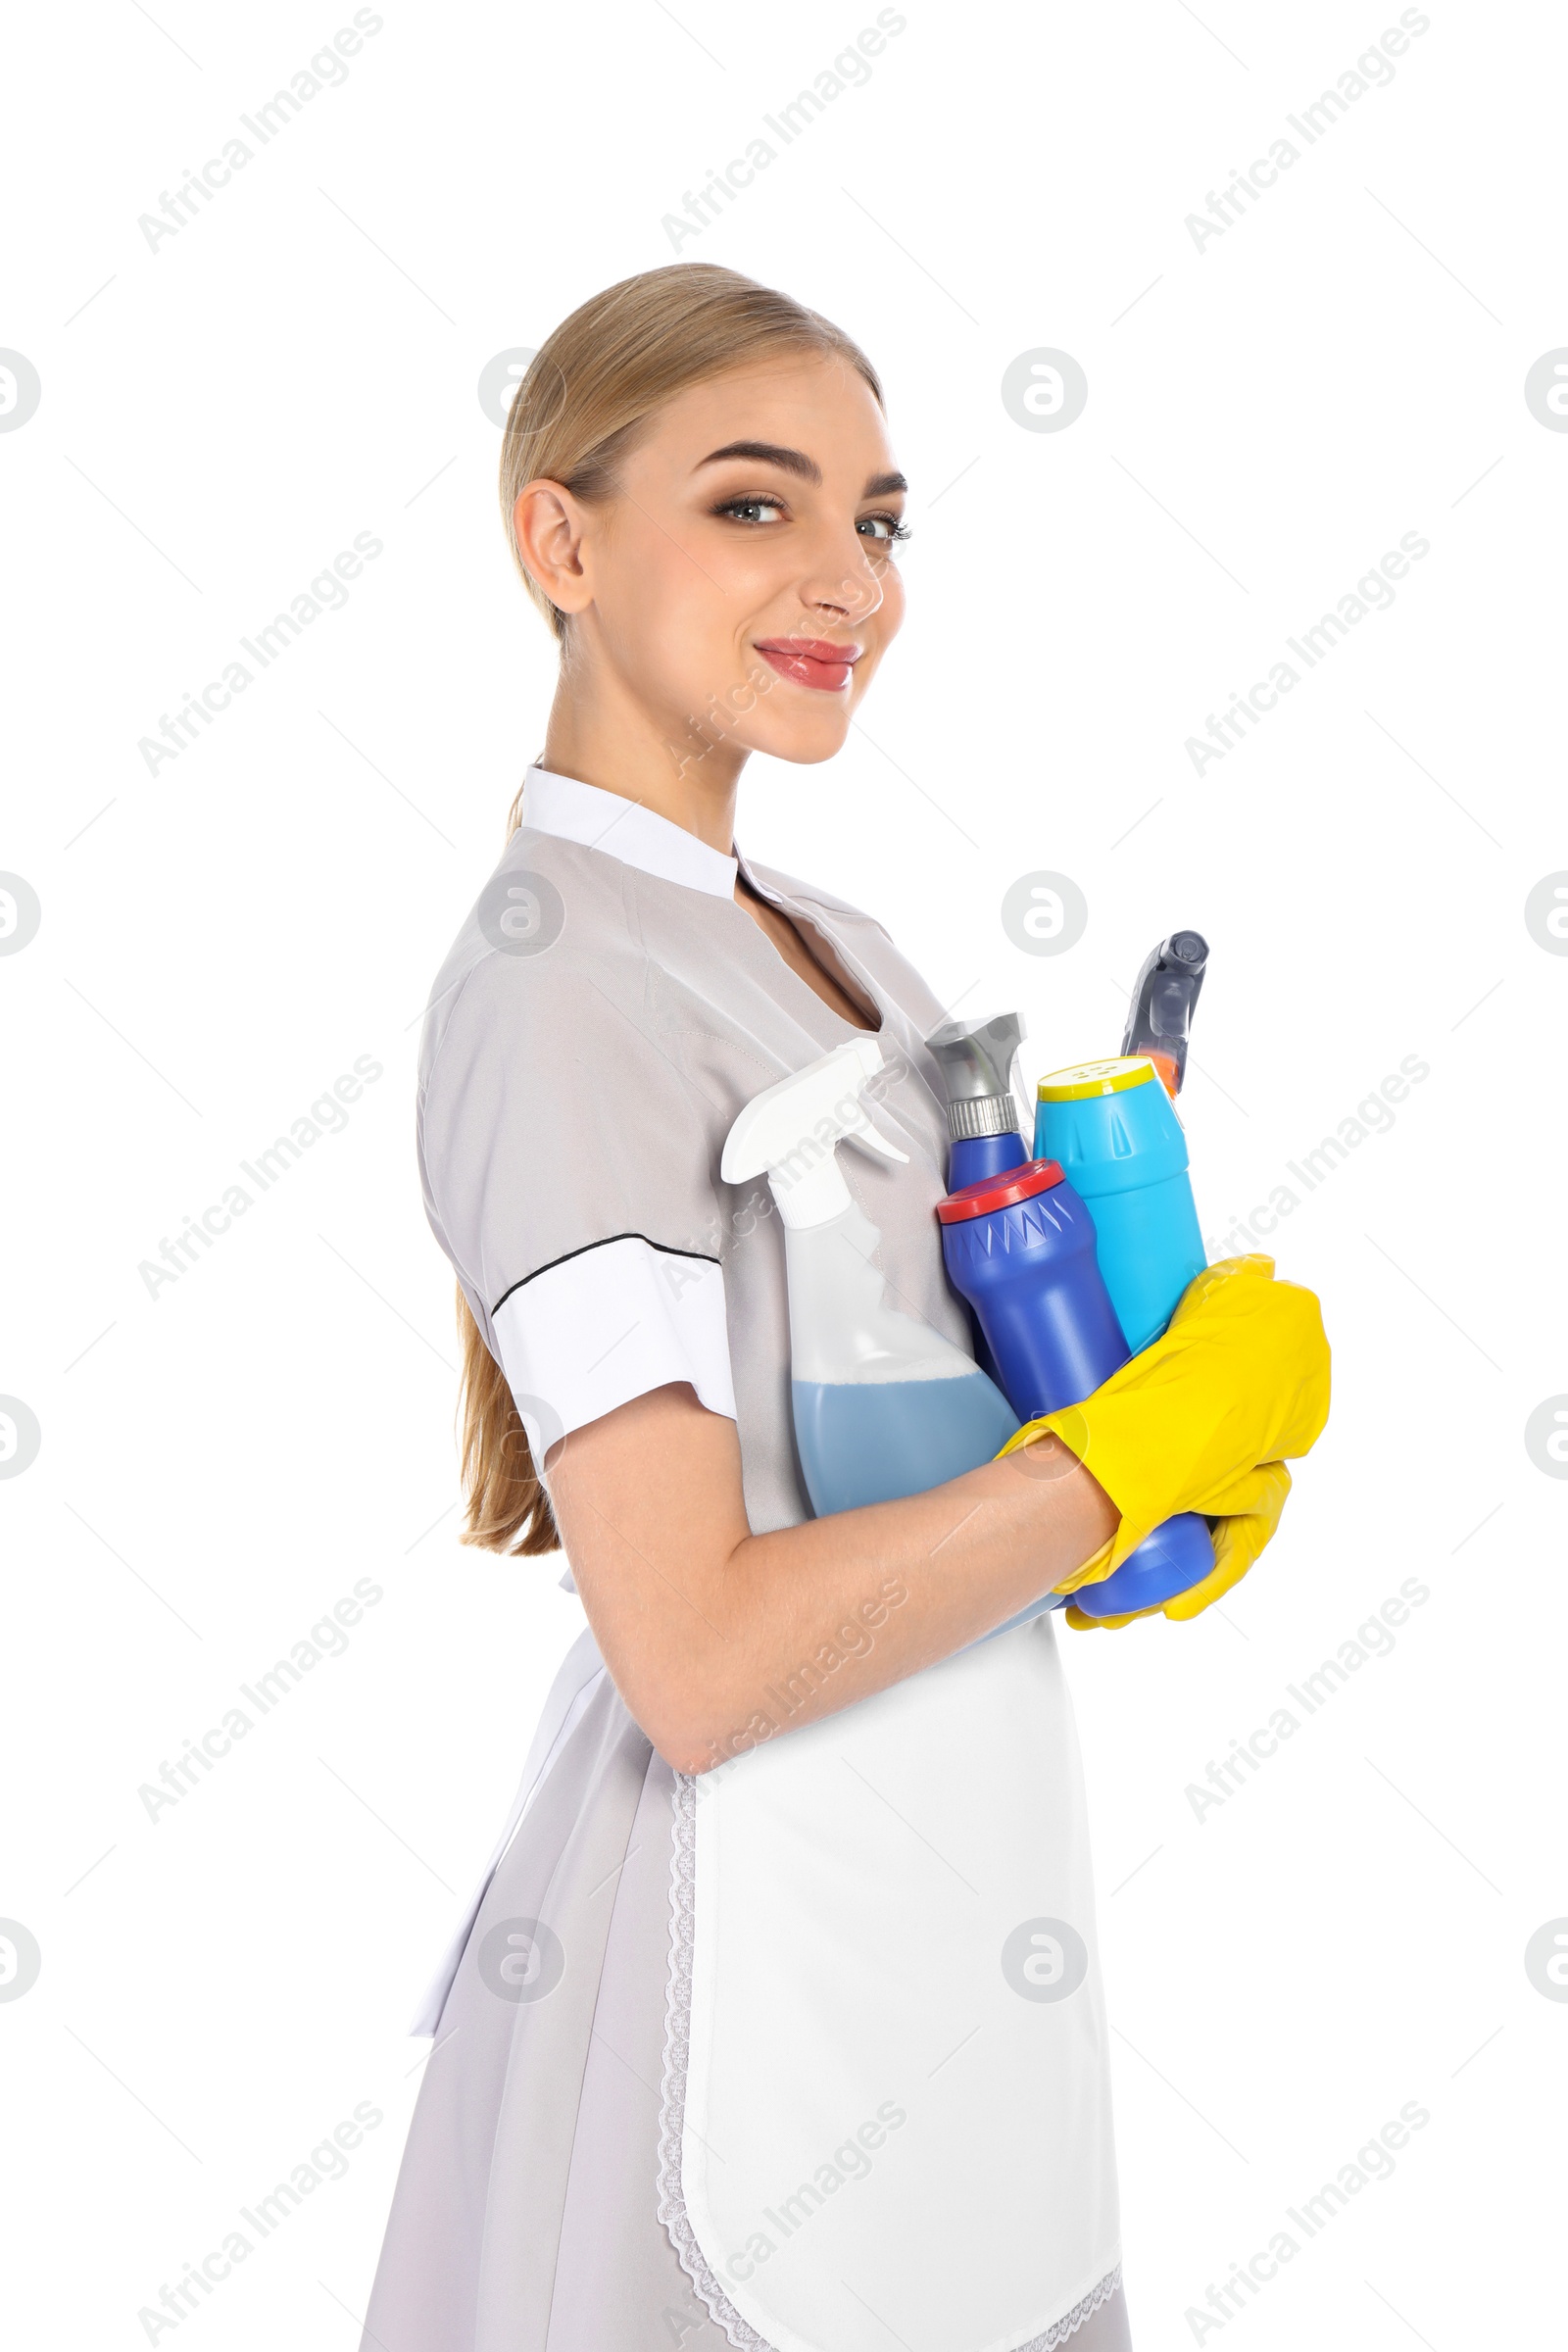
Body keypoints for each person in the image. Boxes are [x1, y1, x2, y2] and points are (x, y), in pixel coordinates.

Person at [359, 262, 1329, 2352]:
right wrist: (1111, 1465)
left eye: (875, 519)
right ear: (559, 537)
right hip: (731, 2006)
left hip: (955, 1957)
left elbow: (926, 1489)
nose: (843, 579)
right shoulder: (552, 979)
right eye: (749, 505)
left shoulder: (840, 948)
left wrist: (1145, 1451)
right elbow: (701, 1658)